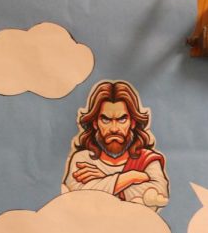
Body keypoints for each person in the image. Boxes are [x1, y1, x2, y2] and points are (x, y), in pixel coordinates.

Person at [62, 79, 170, 210]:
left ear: (133, 122)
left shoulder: (147, 160)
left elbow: (158, 196)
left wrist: (104, 179)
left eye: (122, 119)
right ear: (95, 123)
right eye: (106, 119)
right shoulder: (83, 159)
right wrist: (133, 176)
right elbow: (77, 198)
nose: (114, 128)